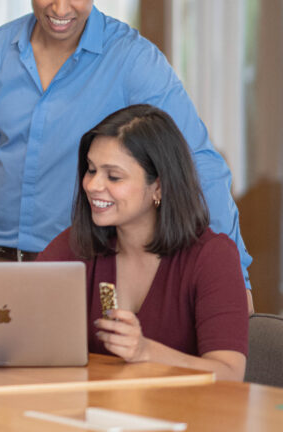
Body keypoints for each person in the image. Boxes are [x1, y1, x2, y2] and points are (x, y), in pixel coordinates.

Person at [0, 0, 253, 303]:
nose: (61, 9)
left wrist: (235, 276)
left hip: (76, 269)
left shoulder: (135, 62)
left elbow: (198, 164)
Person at [38, 104, 248, 381]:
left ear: (158, 187)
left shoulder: (212, 257)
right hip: (96, 417)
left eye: (113, 176)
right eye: (91, 170)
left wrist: (146, 352)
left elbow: (230, 373)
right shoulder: (73, 246)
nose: (92, 185)